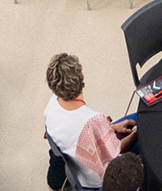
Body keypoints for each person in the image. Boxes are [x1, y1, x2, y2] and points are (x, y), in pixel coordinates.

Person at [44, 52, 136, 188]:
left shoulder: (51, 106)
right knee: (142, 124)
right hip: (97, 181)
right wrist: (136, 133)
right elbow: (115, 152)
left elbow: (81, 130)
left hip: (77, 168)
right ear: (82, 77)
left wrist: (111, 127)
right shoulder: (93, 120)